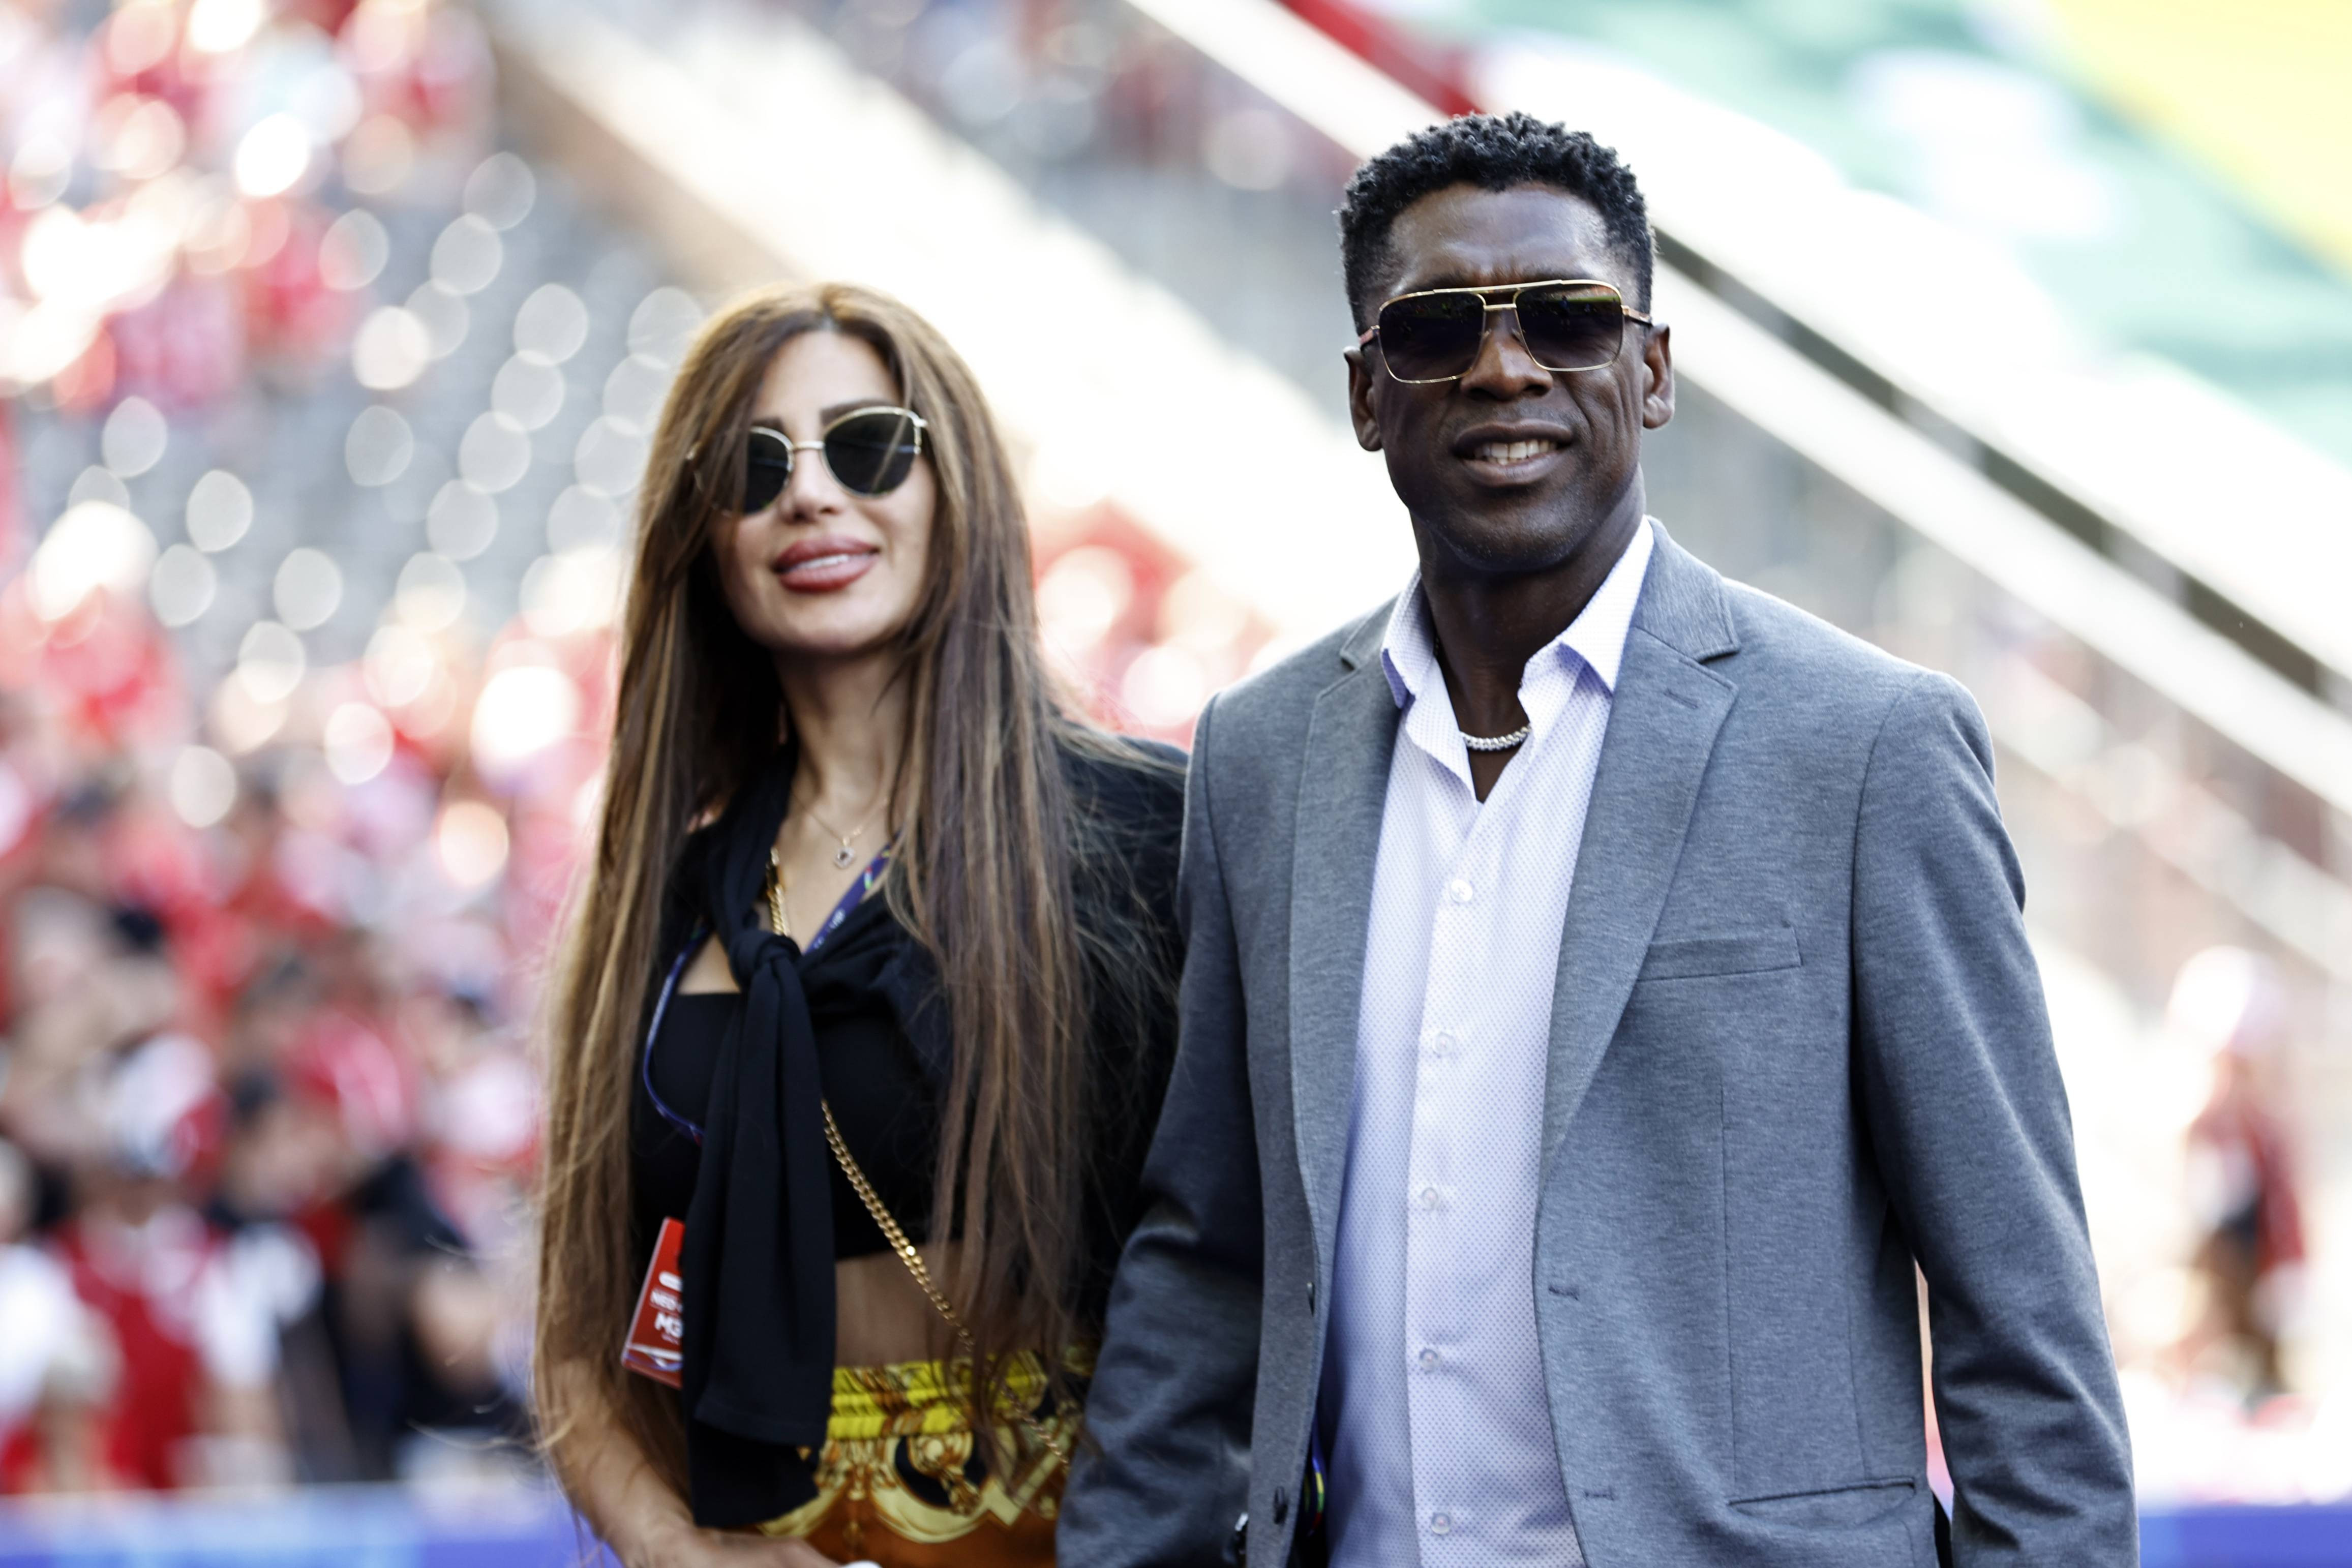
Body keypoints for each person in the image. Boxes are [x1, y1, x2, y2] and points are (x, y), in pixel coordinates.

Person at [1061, 113, 2134, 1567]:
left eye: (1566, 319)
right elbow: (1208, 1253)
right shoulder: (1260, 758)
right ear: (1368, 392)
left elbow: (2023, 1313)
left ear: (1653, 370)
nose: (1504, 367)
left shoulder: (1865, 746)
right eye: (1437, 329)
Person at [535, 282, 1184, 1568]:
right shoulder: (658, 896)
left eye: (869, 447)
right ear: (703, 534)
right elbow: (579, 1346)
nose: (812, 495)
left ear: (955, 487)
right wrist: (684, 1555)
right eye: (754, 466)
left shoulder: (1147, 833)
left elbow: (1255, 1271)